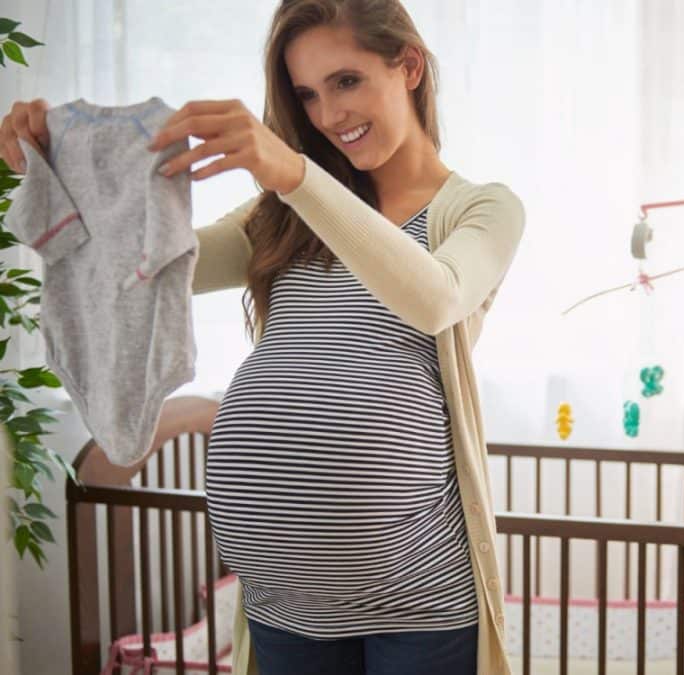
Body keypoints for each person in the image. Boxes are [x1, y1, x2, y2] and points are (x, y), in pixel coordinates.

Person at [0, 1, 524, 673]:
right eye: (306, 94)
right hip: (283, 607)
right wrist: (59, 165)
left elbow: (434, 296)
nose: (329, 115)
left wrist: (295, 177)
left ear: (410, 66)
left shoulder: (482, 207)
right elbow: (155, 261)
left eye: (346, 81)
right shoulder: (283, 216)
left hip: (418, 600)